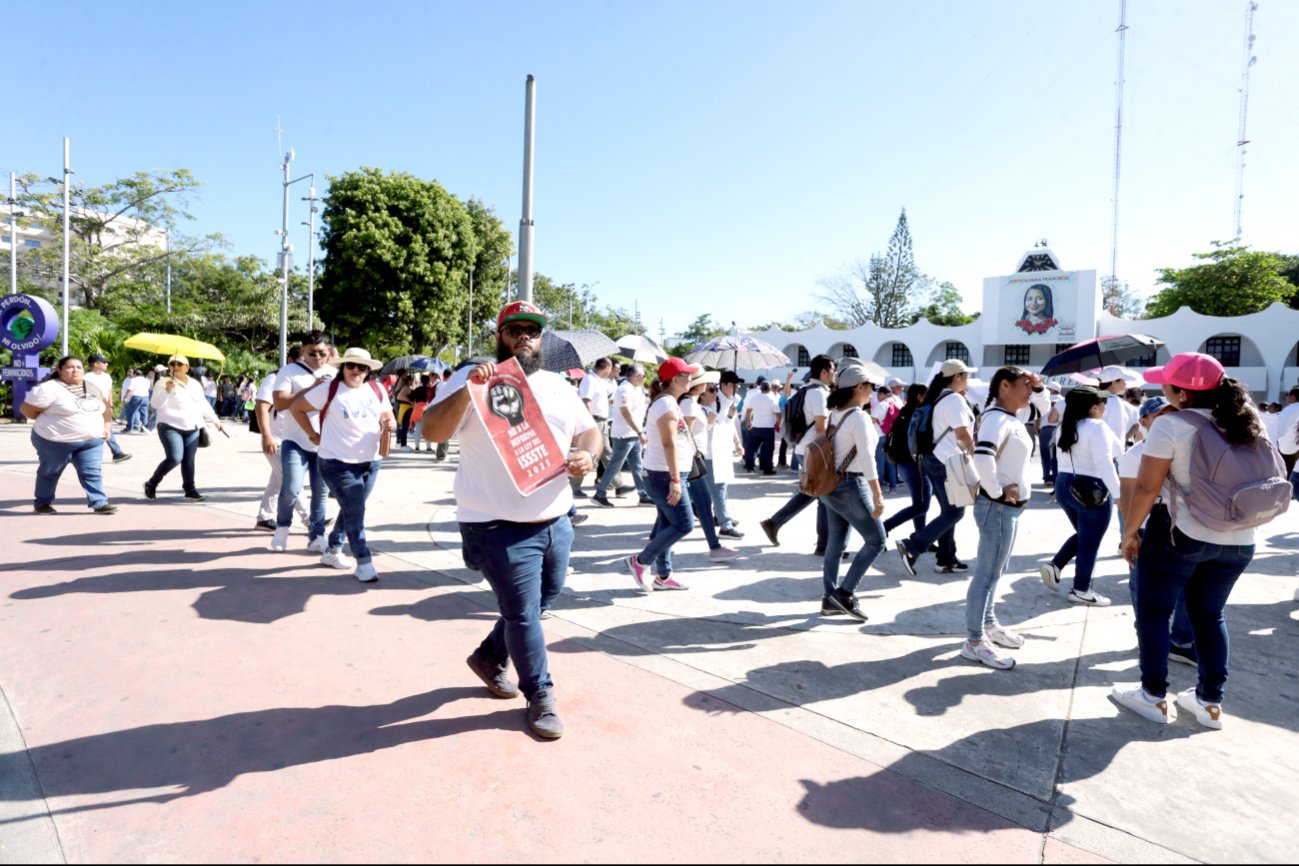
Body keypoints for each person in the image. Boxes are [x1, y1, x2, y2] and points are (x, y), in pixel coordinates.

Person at [422, 301, 600, 740]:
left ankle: (488, 657)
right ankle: (540, 695)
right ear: (500, 335)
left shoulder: (557, 386)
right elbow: (431, 431)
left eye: (533, 331)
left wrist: (588, 455)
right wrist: (469, 389)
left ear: (542, 340)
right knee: (524, 615)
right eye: (515, 329)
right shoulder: (472, 380)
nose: (525, 336)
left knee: (545, 598)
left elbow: (589, 429)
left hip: (555, 517)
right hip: (494, 523)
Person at [1114, 353, 1275, 729]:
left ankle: (1153, 696)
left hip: (1182, 534)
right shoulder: (1250, 423)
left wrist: (1129, 532)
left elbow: (1146, 487)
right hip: (1240, 539)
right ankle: (1210, 703)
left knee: (1154, 613)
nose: (1162, 389)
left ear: (1182, 394)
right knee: (1210, 615)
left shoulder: (1170, 426)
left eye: (1166, 384)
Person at [963, 366, 1049, 669]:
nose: (1029, 390)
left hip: (1006, 508)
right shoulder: (996, 418)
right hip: (997, 508)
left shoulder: (1012, 417)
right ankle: (974, 641)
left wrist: (1039, 387)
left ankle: (987, 623)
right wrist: (997, 492)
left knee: (995, 572)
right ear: (1004, 386)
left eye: (1030, 386)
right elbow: (982, 456)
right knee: (986, 575)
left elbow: (1047, 408)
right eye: (1024, 385)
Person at [291, 347, 396, 583]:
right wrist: (312, 435)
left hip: (371, 461)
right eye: (351, 365)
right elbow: (297, 408)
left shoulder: (377, 389)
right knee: (356, 511)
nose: (356, 370)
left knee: (351, 508)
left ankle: (332, 550)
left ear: (368, 371)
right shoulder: (328, 389)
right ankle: (364, 561)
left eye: (362, 367)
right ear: (343, 367)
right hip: (336, 462)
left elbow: (389, 416)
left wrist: (390, 424)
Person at [1116, 396, 1196, 666]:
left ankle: (1181, 638)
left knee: (1187, 583)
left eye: (1172, 413)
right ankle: (1145, 633)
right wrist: (1131, 532)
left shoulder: (1185, 447)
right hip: (1147, 524)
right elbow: (1127, 498)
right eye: (1159, 416)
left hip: (1182, 527)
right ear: (1144, 421)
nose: (1168, 420)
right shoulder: (1134, 455)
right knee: (1140, 581)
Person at [817, 363, 888, 622]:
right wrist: (877, 494)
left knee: (836, 542)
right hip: (851, 485)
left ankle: (829, 597)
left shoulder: (836, 414)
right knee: (877, 540)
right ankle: (844, 594)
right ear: (859, 387)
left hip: (830, 485)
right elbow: (868, 458)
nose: (873, 392)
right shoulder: (858, 417)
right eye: (871, 387)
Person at [895, 359, 978, 576]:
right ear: (957, 376)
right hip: (946, 462)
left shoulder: (939, 397)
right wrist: (977, 457)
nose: (968, 379)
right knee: (955, 512)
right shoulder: (953, 400)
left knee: (948, 511)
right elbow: (962, 434)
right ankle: (913, 545)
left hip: (934, 459)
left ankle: (946, 558)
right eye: (966, 375)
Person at [627, 357, 703, 591]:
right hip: (664, 475)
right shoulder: (667, 404)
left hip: (664, 474)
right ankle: (640, 561)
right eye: (687, 374)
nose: (691, 378)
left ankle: (663, 575)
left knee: (665, 524)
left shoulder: (669, 402)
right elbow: (669, 443)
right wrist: (676, 480)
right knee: (683, 525)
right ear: (676, 379)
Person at [1040, 386, 1121, 605]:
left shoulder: (1063, 427)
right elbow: (1107, 461)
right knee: (1090, 541)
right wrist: (1120, 494)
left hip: (1065, 484)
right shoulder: (1097, 427)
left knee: (1086, 535)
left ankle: (1055, 565)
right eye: (1102, 403)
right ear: (1094, 407)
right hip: (1091, 488)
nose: (1105, 406)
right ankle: (1080, 589)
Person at [21, 355, 118, 514]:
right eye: (70, 367)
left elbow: (106, 409)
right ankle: (43, 503)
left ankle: (100, 503)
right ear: (59, 370)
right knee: (50, 472)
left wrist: (106, 426)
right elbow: (27, 409)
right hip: (54, 441)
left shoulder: (92, 386)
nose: (75, 370)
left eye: (79, 367)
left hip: (91, 441)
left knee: (92, 472)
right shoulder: (48, 388)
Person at [760, 355, 836, 556]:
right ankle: (824, 544)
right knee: (823, 496)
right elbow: (821, 429)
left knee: (813, 493)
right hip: (815, 450)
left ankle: (774, 523)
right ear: (824, 372)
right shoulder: (819, 393)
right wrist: (827, 455)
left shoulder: (806, 390)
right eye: (833, 370)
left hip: (804, 448)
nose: (834, 374)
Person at [270, 332, 336, 553]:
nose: (317, 357)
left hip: (325, 443)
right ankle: (282, 530)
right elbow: (279, 403)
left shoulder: (335, 374)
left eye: (322, 353)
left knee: (321, 492)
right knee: (291, 488)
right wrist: (313, 387)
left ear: (329, 353)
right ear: (303, 352)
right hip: (294, 440)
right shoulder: (289, 371)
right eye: (312, 353)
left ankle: (317, 536)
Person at [143, 354, 224, 501]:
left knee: (189, 459)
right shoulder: (163, 382)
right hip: (169, 425)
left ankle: (190, 489)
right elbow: (155, 405)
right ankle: (152, 483)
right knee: (175, 457)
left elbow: (203, 403)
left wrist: (216, 420)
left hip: (192, 426)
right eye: (172, 364)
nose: (175, 367)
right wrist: (167, 391)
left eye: (179, 364)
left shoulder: (195, 384)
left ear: (187, 367)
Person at [679, 369, 740, 563]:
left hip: (705, 455)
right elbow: (685, 432)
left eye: (714, 388)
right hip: (699, 456)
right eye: (710, 388)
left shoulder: (704, 405)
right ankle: (723, 527)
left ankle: (717, 538)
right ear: (699, 388)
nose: (713, 392)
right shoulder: (689, 404)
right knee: (707, 496)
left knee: (703, 499)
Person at [253, 346, 311, 531]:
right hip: (276, 440)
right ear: (290, 360)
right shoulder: (274, 378)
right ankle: (311, 520)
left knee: (278, 480)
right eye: (301, 361)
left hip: (293, 439)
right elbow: (261, 407)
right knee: (291, 480)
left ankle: (264, 518)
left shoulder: (304, 380)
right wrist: (266, 436)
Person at [593, 364, 651, 507]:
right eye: (642, 376)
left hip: (633, 434)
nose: (644, 379)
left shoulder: (635, 389)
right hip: (624, 434)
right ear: (635, 376)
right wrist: (639, 431)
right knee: (615, 466)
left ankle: (643, 494)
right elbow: (626, 412)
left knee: (637, 465)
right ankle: (600, 494)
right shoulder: (624, 389)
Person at [882, 383, 931, 537]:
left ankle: (920, 535)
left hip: (903, 464)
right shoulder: (918, 414)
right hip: (914, 464)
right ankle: (886, 526)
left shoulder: (904, 410)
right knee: (921, 506)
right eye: (927, 395)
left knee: (919, 503)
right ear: (919, 397)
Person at [699, 376, 744, 538]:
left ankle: (720, 515)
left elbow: (731, 426)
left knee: (721, 486)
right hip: (712, 451)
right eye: (732, 384)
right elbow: (713, 427)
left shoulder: (733, 400)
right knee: (718, 487)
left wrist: (737, 443)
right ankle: (725, 525)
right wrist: (730, 416)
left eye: (738, 384)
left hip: (723, 450)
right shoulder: (714, 401)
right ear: (723, 385)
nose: (736, 387)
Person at [82, 353, 132, 464]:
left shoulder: (107, 376)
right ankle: (116, 452)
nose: (107, 364)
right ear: (95, 364)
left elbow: (109, 391)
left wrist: (111, 405)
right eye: (104, 362)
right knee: (95, 430)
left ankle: (117, 453)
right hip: (91, 408)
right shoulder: (86, 377)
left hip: (104, 408)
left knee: (107, 429)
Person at [872, 377, 905, 492]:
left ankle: (879, 486)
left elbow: (873, 418)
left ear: (884, 394)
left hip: (880, 435)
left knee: (880, 462)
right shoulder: (897, 401)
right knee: (891, 461)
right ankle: (892, 486)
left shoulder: (882, 404)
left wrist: (878, 422)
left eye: (879, 395)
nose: (877, 397)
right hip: (892, 435)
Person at [1096, 366, 1139, 451]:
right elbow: (1117, 435)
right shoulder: (1114, 402)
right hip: (1109, 453)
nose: (1126, 384)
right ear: (1114, 383)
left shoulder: (1093, 397)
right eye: (1123, 381)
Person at [743, 378, 781, 474]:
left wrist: (749, 421)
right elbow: (778, 413)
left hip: (756, 426)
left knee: (752, 448)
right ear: (770, 388)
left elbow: (748, 411)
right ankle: (766, 468)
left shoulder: (755, 398)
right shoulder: (773, 399)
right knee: (768, 450)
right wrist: (779, 422)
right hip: (768, 427)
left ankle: (749, 466)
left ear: (761, 388)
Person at [1039, 381, 1062, 485]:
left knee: (1045, 454)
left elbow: (1038, 416)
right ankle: (1056, 477)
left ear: (1052, 390)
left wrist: (1037, 428)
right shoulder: (1063, 400)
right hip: (1058, 429)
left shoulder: (1044, 399)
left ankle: (1047, 477)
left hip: (1045, 428)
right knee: (1057, 455)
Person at [123, 368, 150, 433]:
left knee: (131, 413)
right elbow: (148, 388)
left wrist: (125, 397)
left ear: (135, 374)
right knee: (144, 413)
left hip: (137, 397)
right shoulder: (147, 380)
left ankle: (129, 428)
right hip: (146, 397)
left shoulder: (134, 380)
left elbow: (130, 389)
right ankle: (144, 428)